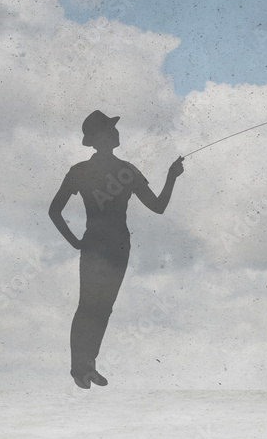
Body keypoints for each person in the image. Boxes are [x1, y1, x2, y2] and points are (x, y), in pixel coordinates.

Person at [48, 110, 183, 389]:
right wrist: (171, 177)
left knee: (96, 308)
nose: (117, 132)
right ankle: (80, 368)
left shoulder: (88, 171)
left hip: (101, 245)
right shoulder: (120, 170)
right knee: (93, 308)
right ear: (101, 138)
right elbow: (158, 206)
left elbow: (54, 211)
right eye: (111, 128)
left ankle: (86, 366)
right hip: (113, 246)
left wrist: (76, 241)